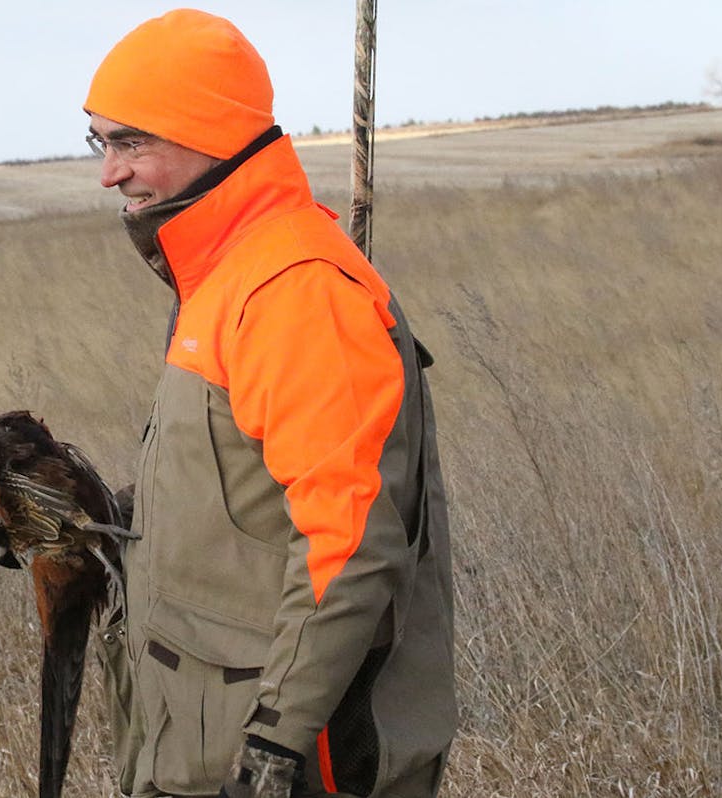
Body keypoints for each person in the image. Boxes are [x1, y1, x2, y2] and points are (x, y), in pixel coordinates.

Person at [83, 11, 456, 798]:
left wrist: (273, 749)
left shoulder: (295, 290)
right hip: (202, 743)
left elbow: (349, 542)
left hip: (297, 763)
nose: (109, 173)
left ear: (211, 135)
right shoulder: (221, 278)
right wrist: (79, 519)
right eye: (101, 143)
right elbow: (236, 506)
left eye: (131, 142)